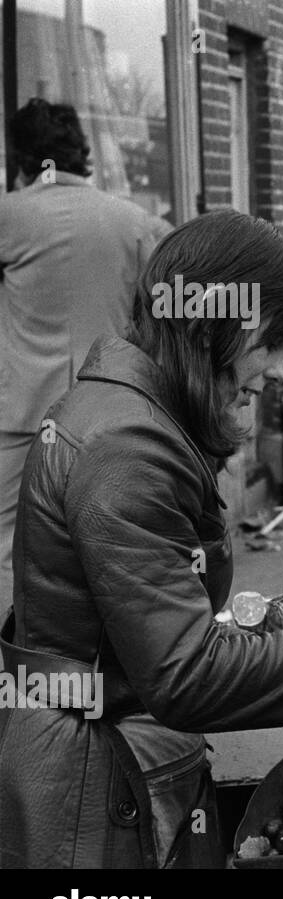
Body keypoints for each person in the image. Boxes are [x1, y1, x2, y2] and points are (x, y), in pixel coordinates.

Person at [0, 211, 283, 868]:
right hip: (95, 798)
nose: (280, 372)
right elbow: (184, 672)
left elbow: (148, 626)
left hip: (104, 768)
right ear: (214, 327)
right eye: (274, 344)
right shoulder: (128, 447)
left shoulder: (129, 417)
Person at [0, 98, 171, 611]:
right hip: (106, 415)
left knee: (9, 540)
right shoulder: (135, 220)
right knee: (110, 538)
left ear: (22, 157)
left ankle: (15, 661)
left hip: (22, 413)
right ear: (82, 152)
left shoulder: (9, 214)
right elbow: (168, 316)